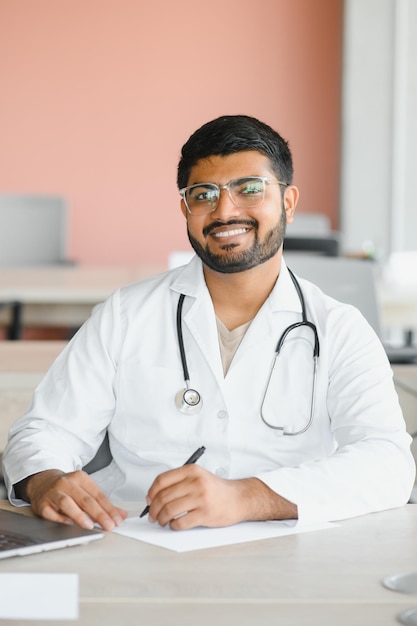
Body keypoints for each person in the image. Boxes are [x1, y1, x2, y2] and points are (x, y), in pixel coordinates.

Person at [2, 115, 415, 532]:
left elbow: (387, 461)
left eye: (249, 189)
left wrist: (248, 497)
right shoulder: (126, 314)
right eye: (204, 194)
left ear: (288, 202)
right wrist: (45, 479)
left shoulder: (339, 328)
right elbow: (43, 430)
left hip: (289, 554)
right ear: (185, 208)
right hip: (138, 542)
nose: (225, 211)